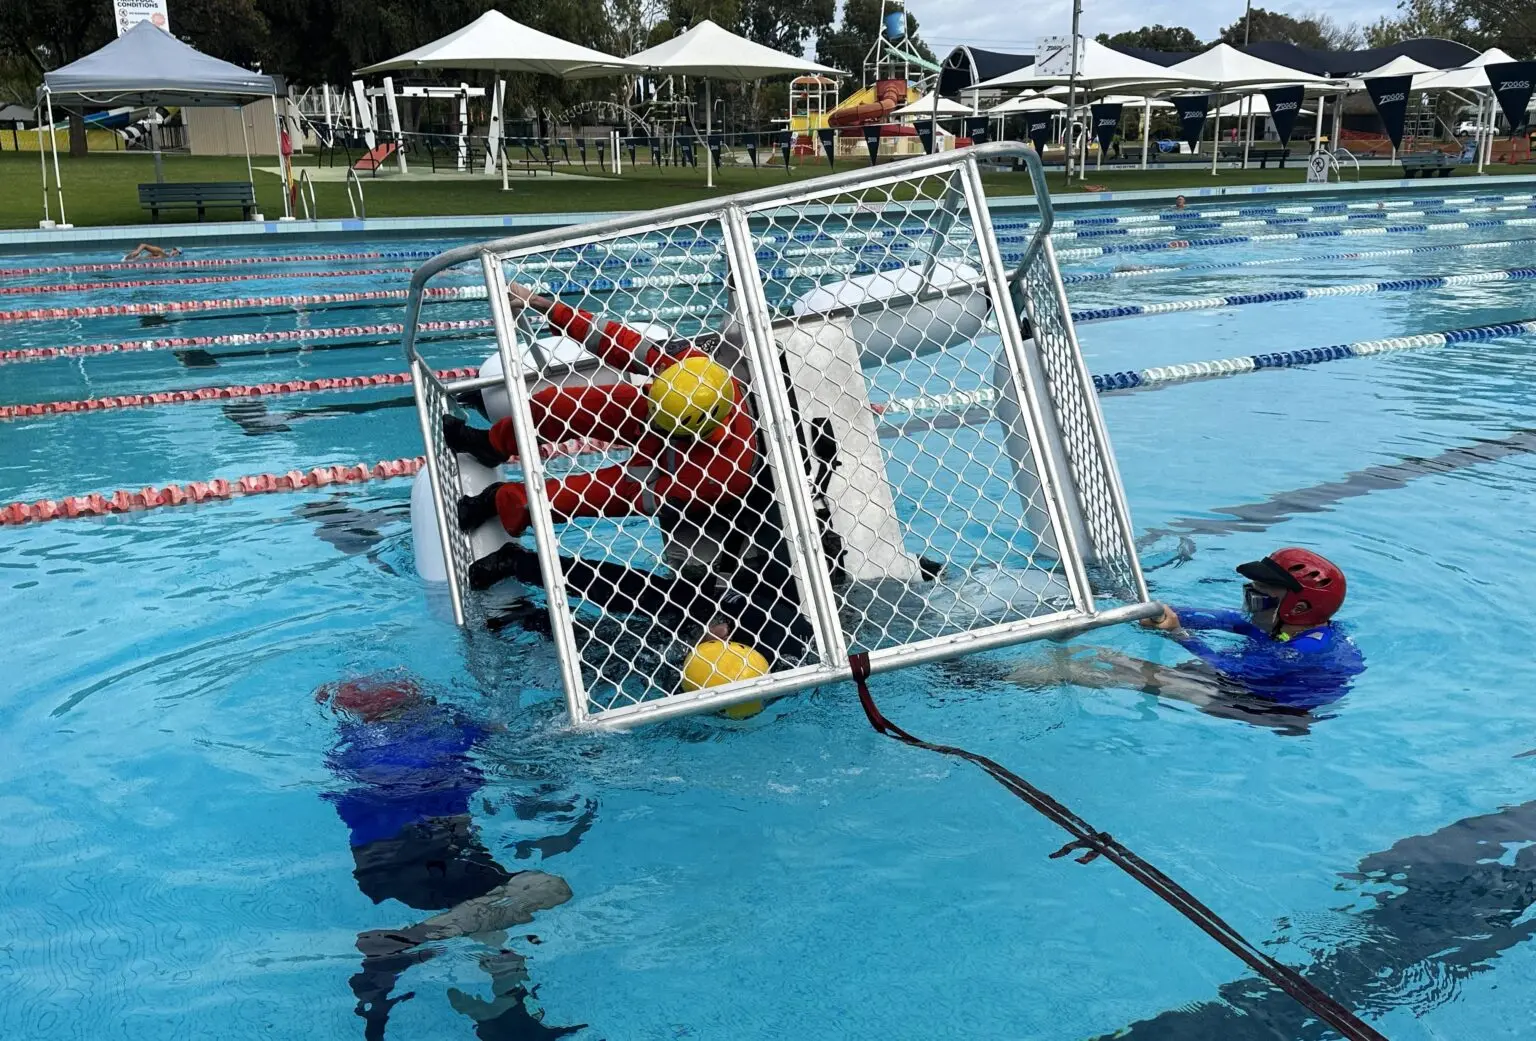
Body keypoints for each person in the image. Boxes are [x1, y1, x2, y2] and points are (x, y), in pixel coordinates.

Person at [318, 676, 584, 1040]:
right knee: (549, 888)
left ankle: (510, 1009)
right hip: (428, 849)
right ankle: (407, 943)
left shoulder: (351, 750)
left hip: (383, 858)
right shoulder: (447, 728)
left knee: (492, 920)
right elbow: (515, 742)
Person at [445, 281, 757, 584]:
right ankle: (489, 444)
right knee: (556, 405)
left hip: (670, 471)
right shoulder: (691, 367)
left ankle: (497, 501)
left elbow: (631, 494)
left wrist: (650, 441)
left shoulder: (720, 475)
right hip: (669, 416)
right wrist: (547, 307)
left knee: (562, 498)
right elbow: (619, 341)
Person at [1008, 548, 1364, 729]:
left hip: (1273, 708)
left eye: (1258, 597)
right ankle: (1023, 672)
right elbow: (1224, 620)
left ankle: (989, 679)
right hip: (1256, 683)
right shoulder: (1283, 624)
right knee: (1109, 660)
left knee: (1111, 669)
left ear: (1299, 606)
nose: (1248, 605)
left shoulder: (1306, 649)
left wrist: (1178, 633)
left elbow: (1232, 669)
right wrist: (1157, 609)